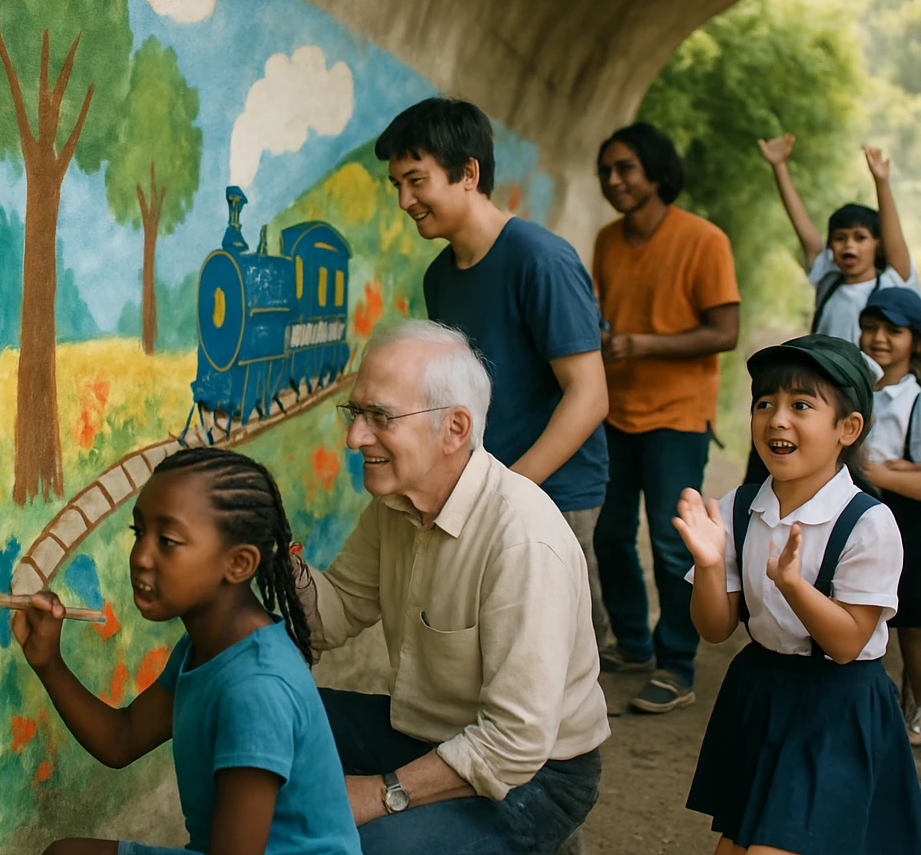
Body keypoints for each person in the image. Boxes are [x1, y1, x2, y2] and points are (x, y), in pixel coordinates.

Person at [295, 319, 609, 855]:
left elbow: (513, 744)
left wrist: (378, 794)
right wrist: (277, 562)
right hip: (426, 733)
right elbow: (335, 613)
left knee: (365, 845)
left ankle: (541, 840)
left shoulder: (523, 541)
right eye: (356, 414)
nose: (355, 437)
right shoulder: (395, 505)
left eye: (380, 418)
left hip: (538, 776)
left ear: (455, 429)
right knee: (270, 715)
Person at [11, 448, 361, 855]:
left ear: (239, 563)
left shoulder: (256, 689)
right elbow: (121, 740)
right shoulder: (208, 645)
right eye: (138, 532)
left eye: (168, 541)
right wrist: (49, 663)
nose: (141, 557)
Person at [376, 97, 612, 645]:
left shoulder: (540, 260)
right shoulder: (440, 277)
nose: (405, 200)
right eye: (397, 186)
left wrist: (510, 489)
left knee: (555, 651)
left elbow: (589, 396)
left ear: (469, 174)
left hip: (554, 488)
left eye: (416, 180)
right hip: (485, 490)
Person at [675, 334, 921, 855]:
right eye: (765, 403)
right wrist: (710, 563)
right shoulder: (740, 507)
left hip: (837, 704)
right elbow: (716, 629)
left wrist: (793, 585)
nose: (777, 419)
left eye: (801, 405)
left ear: (847, 429)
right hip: (763, 694)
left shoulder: (868, 524)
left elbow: (848, 642)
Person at [592, 122, 740, 713]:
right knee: (608, 534)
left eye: (625, 167)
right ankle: (634, 645)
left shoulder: (704, 240)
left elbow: (725, 332)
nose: (613, 180)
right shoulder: (605, 239)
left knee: (672, 541)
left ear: (656, 171)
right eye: (606, 170)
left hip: (678, 415)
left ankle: (677, 665)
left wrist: (642, 345)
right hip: (615, 411)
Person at [758, 133, 916, 342]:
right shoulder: (828, 279)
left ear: (878, 245)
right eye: (840, 238)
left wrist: (881, 182)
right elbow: (802, 225)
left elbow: (894, 239)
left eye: (860, 238)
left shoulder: (891, 282)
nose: (849, 244)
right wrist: (779, 167)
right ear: (831, 246)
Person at [857, 287, 921, 746]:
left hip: (908, 521)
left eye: (894, 331)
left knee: (912, 627)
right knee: (863, 615)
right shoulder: (856, 388)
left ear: (914, 340)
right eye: (871, 327)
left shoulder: (915, 398)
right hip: (862, 514)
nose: (879, 338)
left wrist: (874, 469)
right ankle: (878, 713)